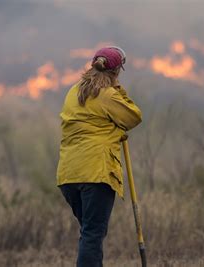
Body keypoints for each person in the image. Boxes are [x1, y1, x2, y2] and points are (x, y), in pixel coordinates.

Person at [57, 46, 142, 267]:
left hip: (68, 175)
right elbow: (133, 116)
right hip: (96, 173)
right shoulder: (107, 95)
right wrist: (118, 88)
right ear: (116, 72)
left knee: (89, 234)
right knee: (93, 234)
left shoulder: (73, 92)